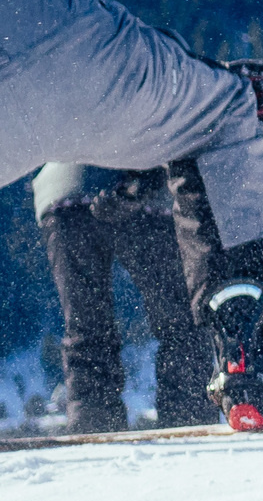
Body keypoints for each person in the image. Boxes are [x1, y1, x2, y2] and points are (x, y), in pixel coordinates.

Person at [0, 0, 263, 429]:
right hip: (81, 85)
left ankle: (92, 424)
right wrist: (223, 81)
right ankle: (259, 363)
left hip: (58, 196)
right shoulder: (72, 13)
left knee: (86, 332)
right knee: (220, 114)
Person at [34, 163, 221, 433]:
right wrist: (142, 183)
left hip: (64, 188)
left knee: (87, 328)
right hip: (143, 185)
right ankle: (189, 421)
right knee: (181, 326)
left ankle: (93, 426)